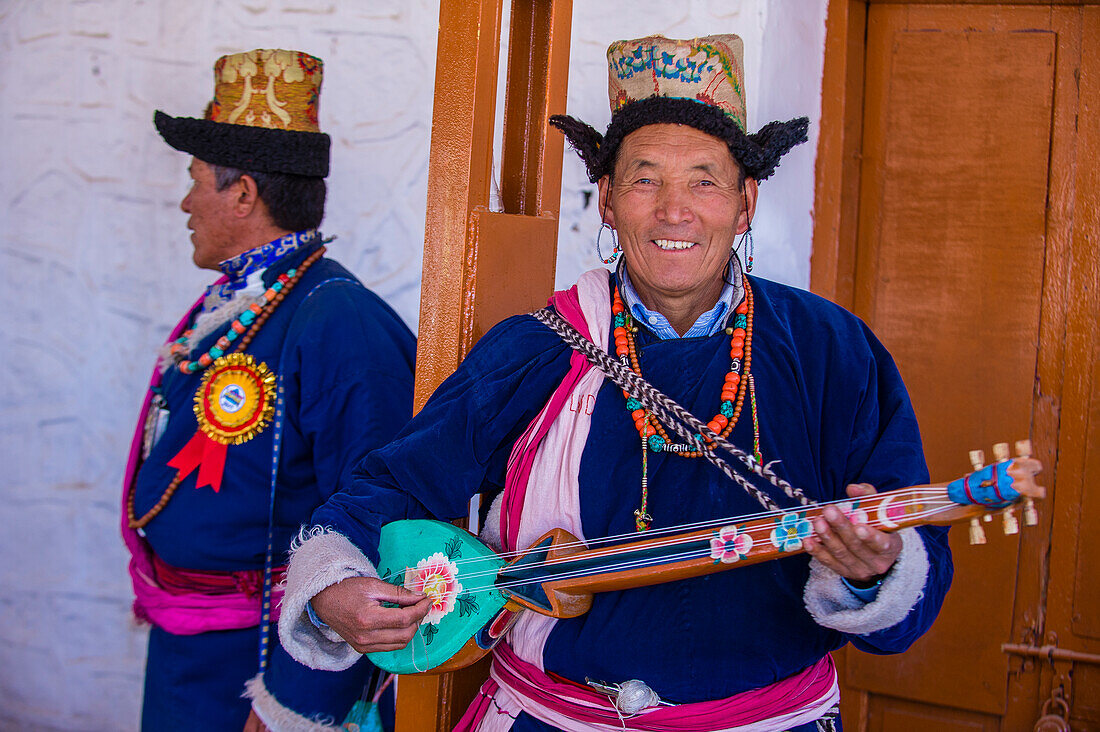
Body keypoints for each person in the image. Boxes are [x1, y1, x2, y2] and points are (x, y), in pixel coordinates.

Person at [277, 35, 953, 731]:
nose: (673, 210)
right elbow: (391, 485)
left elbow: (908, 583)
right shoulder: (540, 347)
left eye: (704, 180)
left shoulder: (833, 351)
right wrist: (331, 586)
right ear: (606, 201)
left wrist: (876, 569)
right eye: (644, 179)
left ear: (745, 204)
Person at [122, 49, 416, 731]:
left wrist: (294, 704)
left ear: (245, 194)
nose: (186, 200)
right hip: (193, 650)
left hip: (259, 664)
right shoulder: (239, 303)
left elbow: (377, 525)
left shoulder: (339, 321)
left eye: (197, 180)